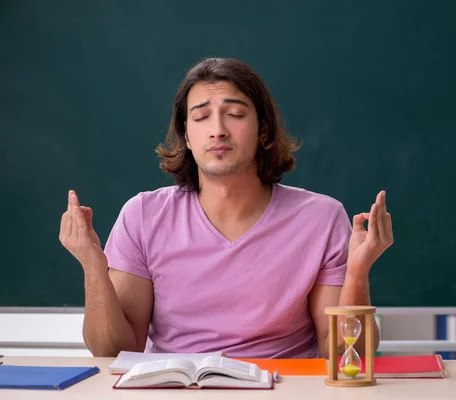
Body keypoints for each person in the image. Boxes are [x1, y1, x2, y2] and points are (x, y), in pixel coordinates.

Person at [59, 57, 393, 358]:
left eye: (234, 115)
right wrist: (92, 265)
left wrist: (357, 271)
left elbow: (347, 355)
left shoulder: (321, 217)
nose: (218, 130)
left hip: (285, 390)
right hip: (177, 390)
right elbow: (112, 351)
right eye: (201, 117)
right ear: (187, 137)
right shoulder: (143, 216)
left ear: (263, 131)